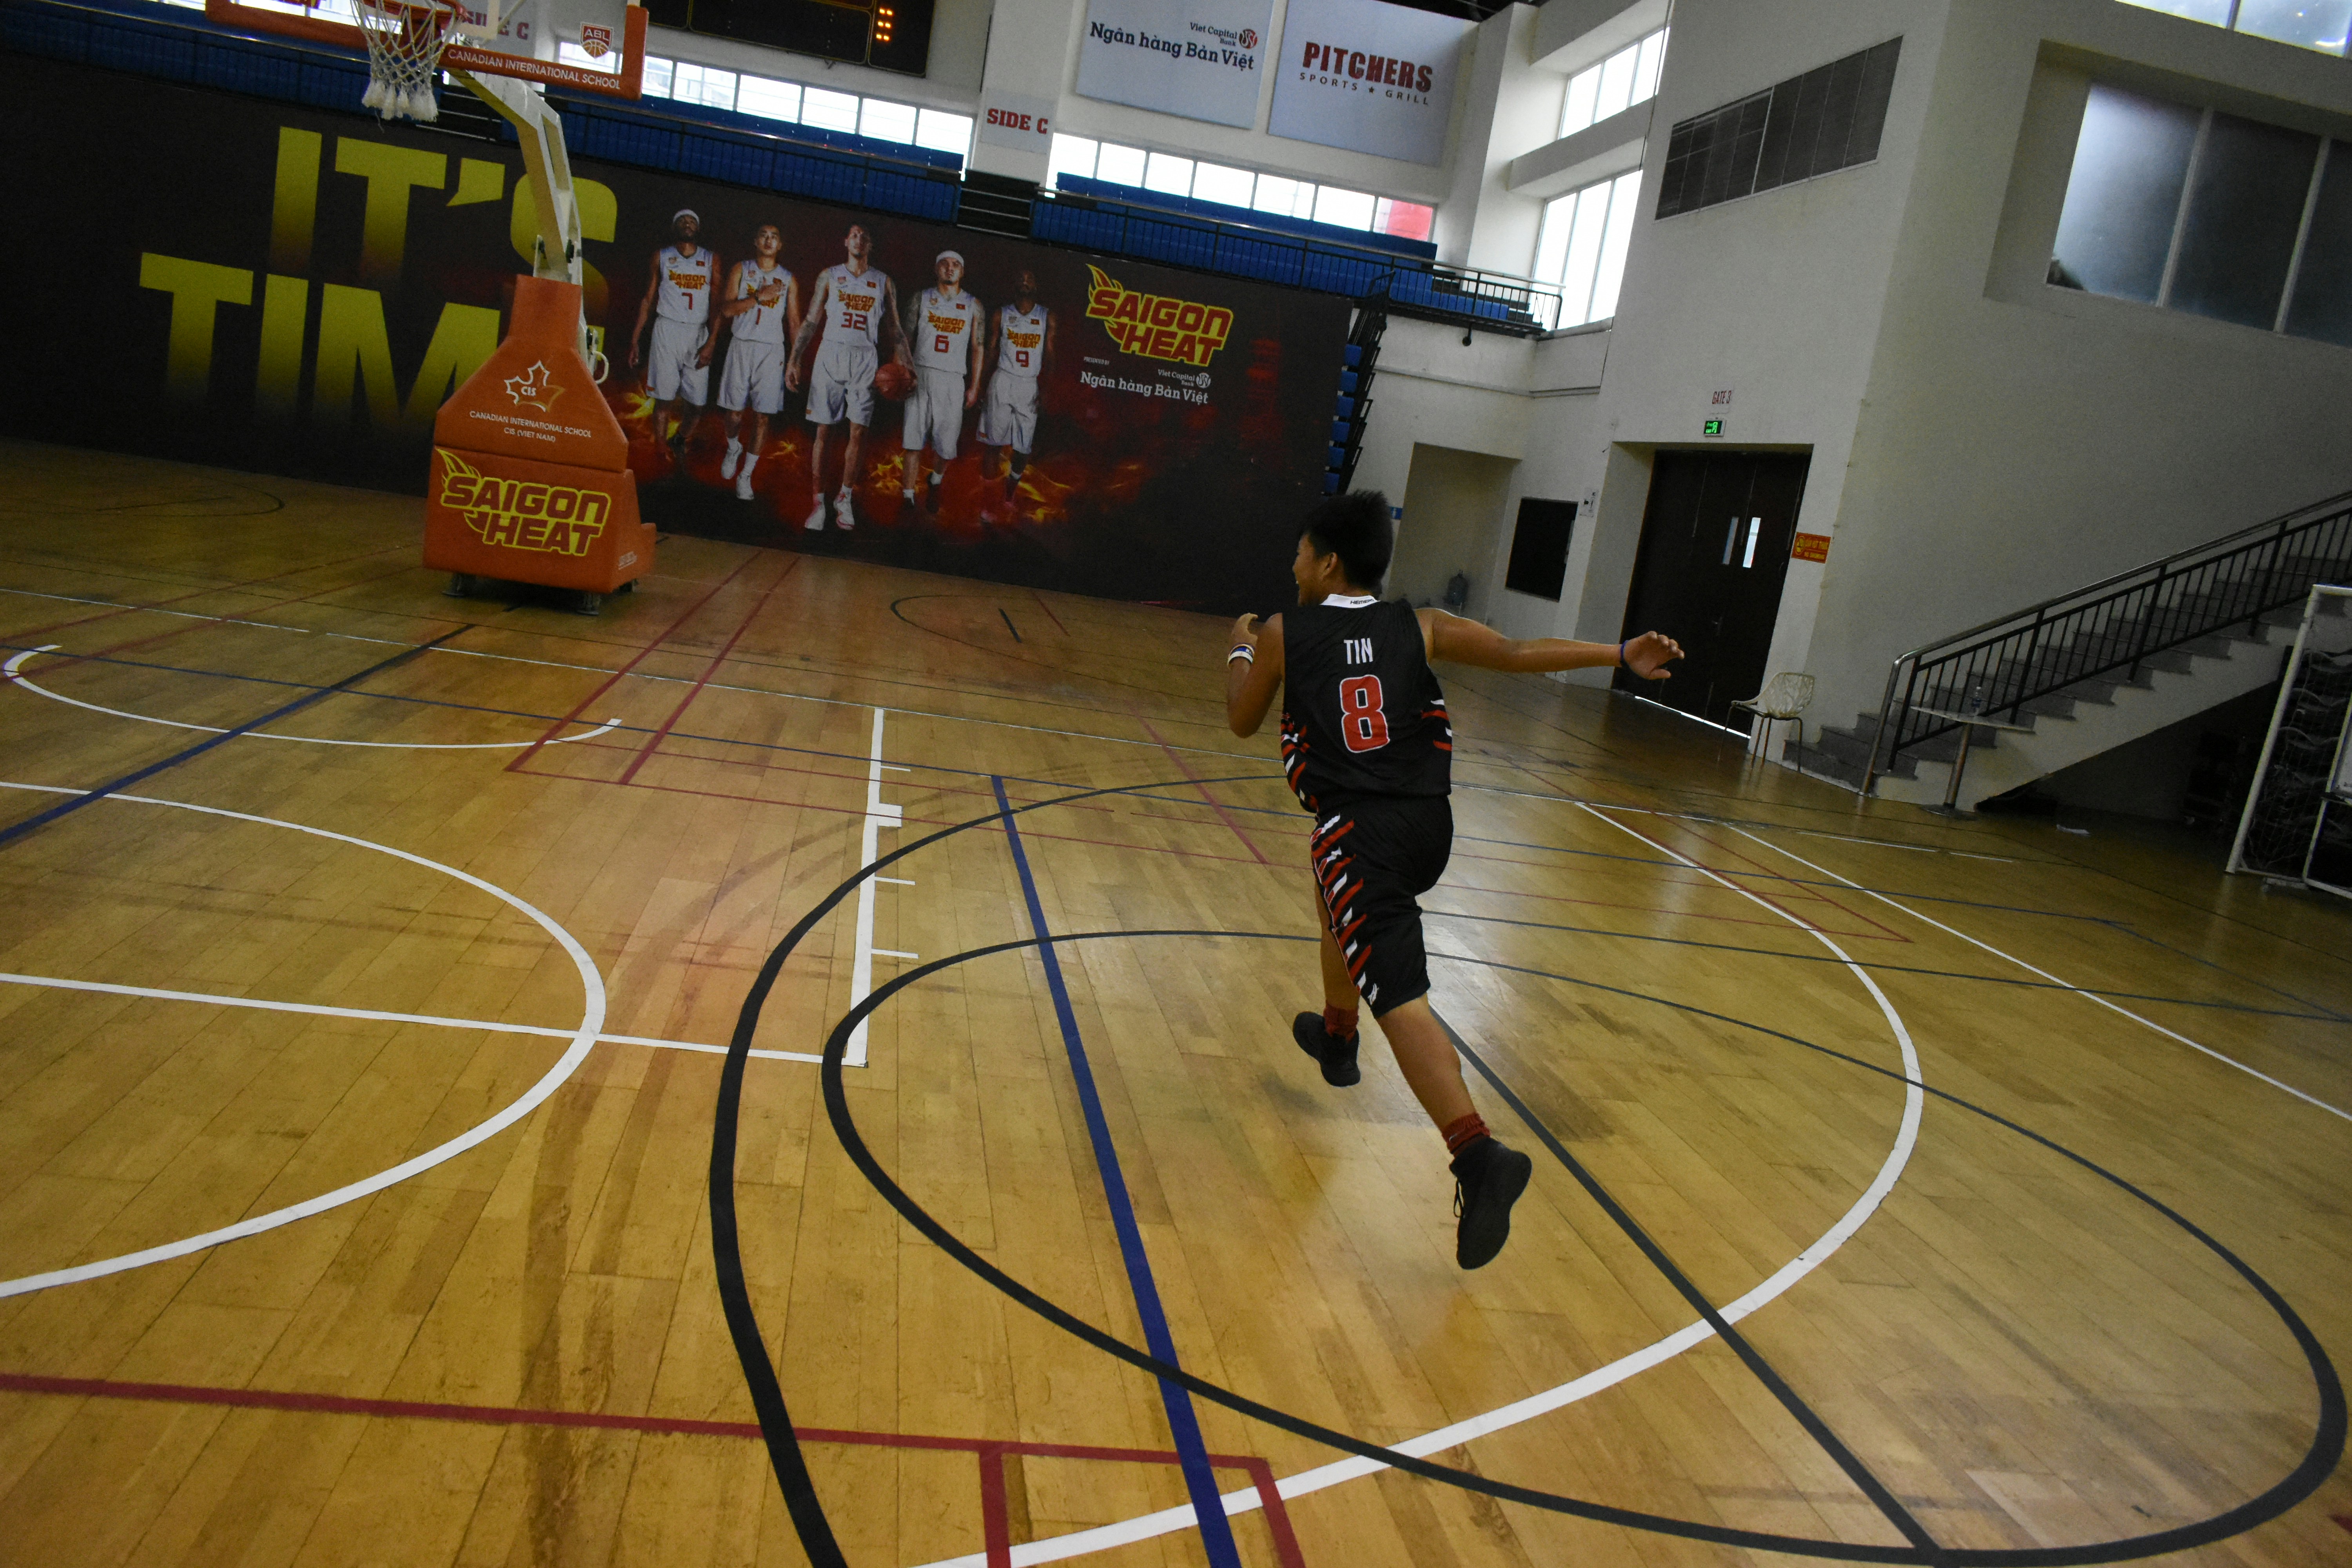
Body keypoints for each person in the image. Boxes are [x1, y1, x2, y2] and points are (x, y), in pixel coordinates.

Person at [1223, 492, 1685, 1270]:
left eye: (1301, 552)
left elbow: (1241, 718)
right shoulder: (1422, 624)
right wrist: (1618, 654)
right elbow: (1518, 652)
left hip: (1361, 831)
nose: (1292, 564)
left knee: (1399, 991)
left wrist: (1239, 650)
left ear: (1328, 563)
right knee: (1333, 887)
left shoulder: (1282, 633)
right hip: (1427, 824)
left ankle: (1477, 1154)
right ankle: (1337, 1035)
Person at [787, 223, 908, 532]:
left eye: (865, 236)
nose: (859, 240)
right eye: (854, 235)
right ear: (846, 242)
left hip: (865, 358)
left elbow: (895, 329)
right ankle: (818, 503)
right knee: (824, 432)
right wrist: (794, 360)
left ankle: (845, 498)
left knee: (858, 432)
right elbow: (811, 321)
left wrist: (908, 368)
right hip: (831, 354)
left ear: (870, 245)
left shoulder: (883, 281)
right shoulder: (829, 276)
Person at [715, 223, 802, 502]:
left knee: (763, 416)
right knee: (734, 414)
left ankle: (746, 475)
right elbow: (726, 310)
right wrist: (757, 297)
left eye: (774, 237)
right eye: (764, 236)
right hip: (742, 346)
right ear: (756, 241)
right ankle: (733, 448)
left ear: (780, 245)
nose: (768, 240)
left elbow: (794, 323)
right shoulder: (741, 270)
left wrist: (795, 361)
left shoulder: (788, 279)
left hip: (772, 351)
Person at [627, 209, 719, 456]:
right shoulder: (662, 256)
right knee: (664, 399)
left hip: (697, 331)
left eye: (692, 221)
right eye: (682, 221)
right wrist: (635, 339)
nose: (688, 224)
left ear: (698, 228)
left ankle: (679, 439)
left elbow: (717, 304)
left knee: (697, 405)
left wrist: (712, 341)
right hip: (667, 329)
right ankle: (660, 450)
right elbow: (648, 300)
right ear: (675, 227)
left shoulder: (710, 259)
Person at [900, 250, 984, 512]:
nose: (950, 268)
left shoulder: (973, 305)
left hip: (953, 378)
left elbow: (978, 347)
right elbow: (905, 338)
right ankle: (908, 497)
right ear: (936, 269)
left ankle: (935, 480)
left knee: (946, 448)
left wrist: (975, 386)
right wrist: (900, 371)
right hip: (921, 374)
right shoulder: (921, 298)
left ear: (962, 271)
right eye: (945, 264)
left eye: (956, 264)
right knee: (913, 442)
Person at [977, 269, 1053, 516]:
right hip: (1003, 380)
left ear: (1036, 285)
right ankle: (988, 502)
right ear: (1015, 284)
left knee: (1023, 449)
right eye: (1021, 279)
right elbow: (991, 350)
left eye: (1030, 279)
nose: (1025, 282)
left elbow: (1050, 355)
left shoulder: (1046, 316)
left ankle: (1009, 493)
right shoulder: (1002, 314)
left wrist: (1046, 389)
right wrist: (980, 384)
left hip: (1029, 384)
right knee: (993, 445)